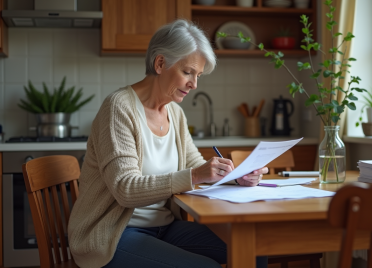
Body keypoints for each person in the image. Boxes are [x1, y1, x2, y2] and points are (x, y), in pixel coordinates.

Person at [68, 19, 268, 268]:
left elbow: (194, 164)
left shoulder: (174, 112)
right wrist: (196, 175)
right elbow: (125, 189)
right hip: (113, 235)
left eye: (198, 76)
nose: (194, 84)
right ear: (160, 63)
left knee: (254, 251)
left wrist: (234, 175)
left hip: (165, 227)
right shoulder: (118, 108)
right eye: (188, 72)